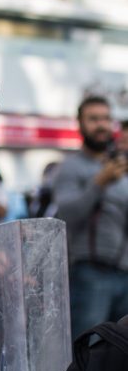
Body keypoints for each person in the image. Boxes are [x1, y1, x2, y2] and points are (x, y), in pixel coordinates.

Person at [54, 95, 128, 338]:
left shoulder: (119, 167)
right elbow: (66, 214)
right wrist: (99, 183)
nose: (101, 125)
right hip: (90, 275)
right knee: (89, 349)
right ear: (80, 124)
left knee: (119, 355)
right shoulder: (71, 166)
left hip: (124, 274)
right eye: (94, 119)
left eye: (106, 118)